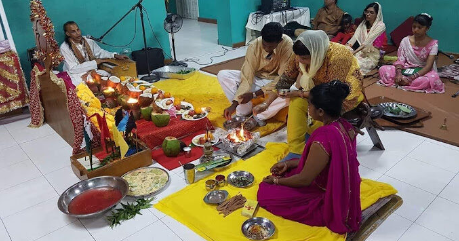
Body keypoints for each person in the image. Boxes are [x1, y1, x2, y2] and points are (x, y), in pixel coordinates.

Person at [257, 80, 362, 234]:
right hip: (340, 186)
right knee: (286, 171)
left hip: (326, 194)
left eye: (309, 105)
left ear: (320, 112)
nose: (308, 108)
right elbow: (326, 163)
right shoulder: (346, 126)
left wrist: (276, 181)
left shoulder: (323, 137)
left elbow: (304, 180)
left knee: (265, 192)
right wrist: (290, 164)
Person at [259, 30, 363, 160]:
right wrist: (266, 104)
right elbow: (285, 80)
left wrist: (299, 92)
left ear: (316, 53)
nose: (299, 61)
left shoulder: (339, 56)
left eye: (304, 58)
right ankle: (296, 150)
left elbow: (330, 94)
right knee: (296, 102)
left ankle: (317, 144)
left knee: (322, 111)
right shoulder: (299, 54)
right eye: (298, 57)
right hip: (315, 89)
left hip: (342, 95)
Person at [217, 22, 293, 124]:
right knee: (223, 75)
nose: (266, 49)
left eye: (270, 47)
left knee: (289, 91)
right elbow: (247, 76)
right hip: (256, 79)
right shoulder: (254, 46)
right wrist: (234, 104)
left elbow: (283, 77)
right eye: (264, 45)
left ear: (279, 41)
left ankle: (260, 116)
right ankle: (243, 109)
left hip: (273, 82)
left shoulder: (287, 45)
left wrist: (254, 94)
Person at [378, 13, 445, 93]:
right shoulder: (405, 40)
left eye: (420, 27)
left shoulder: (433, 44)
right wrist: (398, 73)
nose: (416, 30)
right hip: (405, 68)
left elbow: (428, 66)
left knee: (430, 79)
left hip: (421, 71)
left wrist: (411, 78)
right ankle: (403, 81)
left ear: (427, 28)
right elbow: (400, 60)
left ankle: (405, 82)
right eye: (414, 27)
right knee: (383, 69)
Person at [60, 21, 129, 85]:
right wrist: (94, 63)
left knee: (108, 76)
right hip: (76, 74)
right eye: (73, 32)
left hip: (91, 70)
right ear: (67, 33)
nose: (78, 33)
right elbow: (72, 69)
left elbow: (99, 52)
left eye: (78, 30)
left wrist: (115, 55)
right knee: (81, 83)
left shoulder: (88, 40)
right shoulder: (64, 48)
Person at [346, 2, 387, 75]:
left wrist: (352, 53)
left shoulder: (380, 26)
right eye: (367, 12)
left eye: (371, 12)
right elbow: (353, 39)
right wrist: (345, 48)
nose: (368, 14)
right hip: (360, 51)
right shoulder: (363, 24)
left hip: (372, 55)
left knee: (356, 64)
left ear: (377, 15)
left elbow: (366, 43)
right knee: (343, 56)